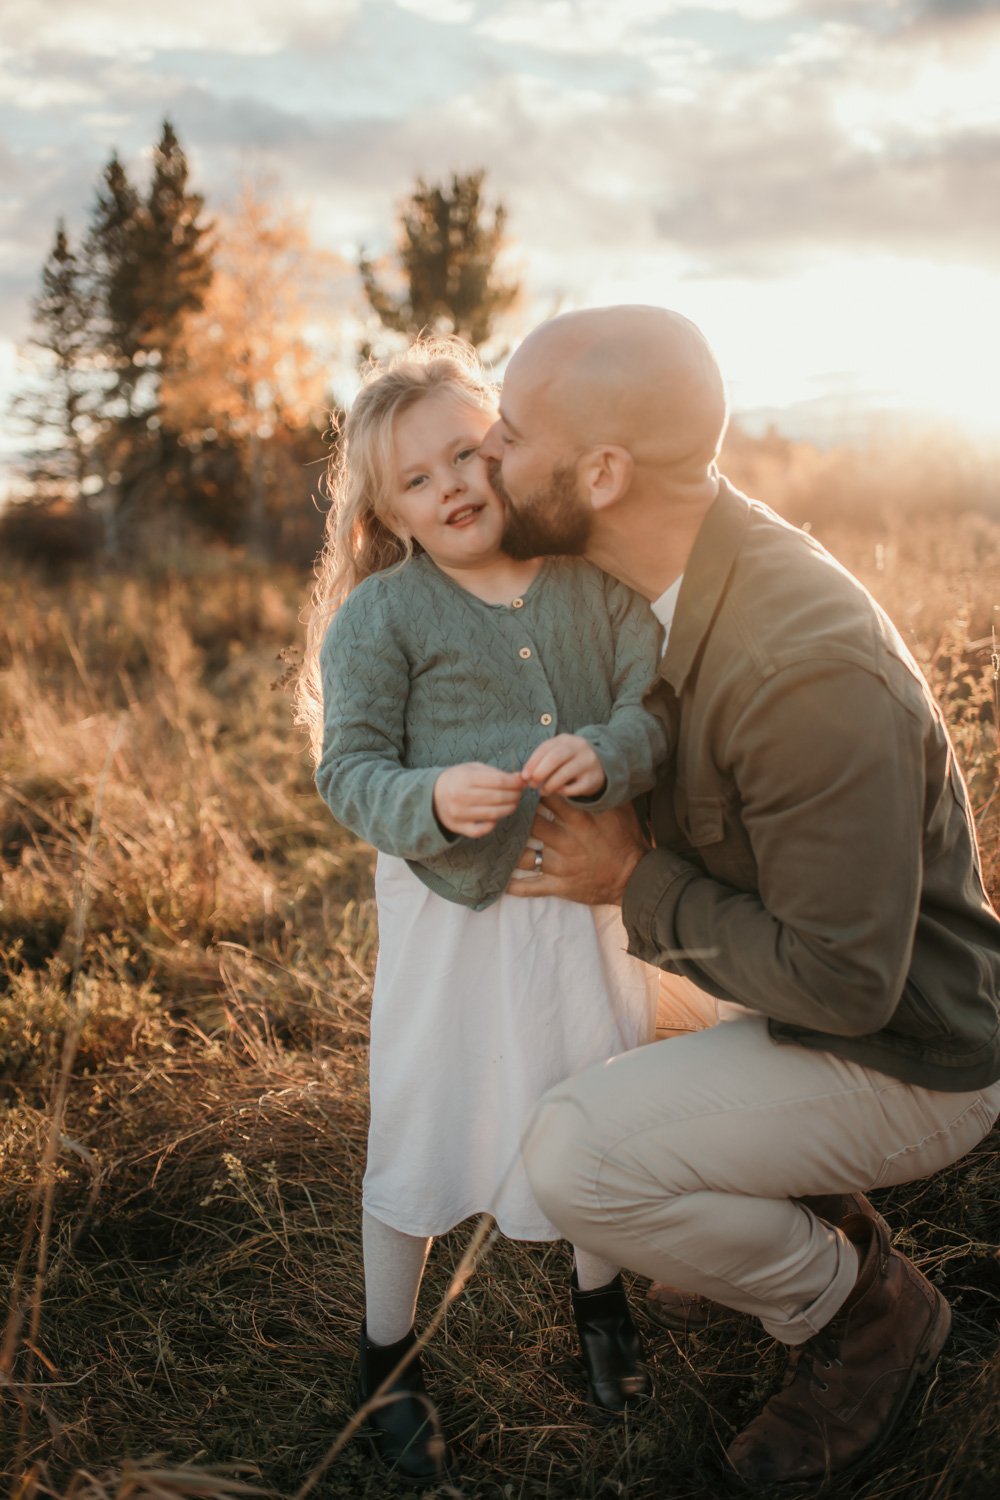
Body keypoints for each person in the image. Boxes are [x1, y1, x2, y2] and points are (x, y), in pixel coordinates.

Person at [477, 305, 1000, 1485]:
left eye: (509, 431)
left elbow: (844, 982)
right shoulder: (656, 574)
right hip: (794, 992)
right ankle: (786, 1209)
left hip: (910, 1050)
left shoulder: (801, 665)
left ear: (602, 472)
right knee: (613, 1032)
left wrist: (627, 879)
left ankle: (860, 1311)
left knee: (574, 1157)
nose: (485, 453)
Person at [295, 339, 669, 1483]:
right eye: (417, 478)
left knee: (588, 1090)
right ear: (387, 511)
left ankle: (598, 1301)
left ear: (506, 453)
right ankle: (386, 1351)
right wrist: (426, 795)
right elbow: (348, 770)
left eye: (468, 453)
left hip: (577, 901)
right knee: (425, 1106)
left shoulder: (592, 589)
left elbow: (653, 708)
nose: (451, 484)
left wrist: (606, 753)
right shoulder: (383, 618)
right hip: (449, 914)